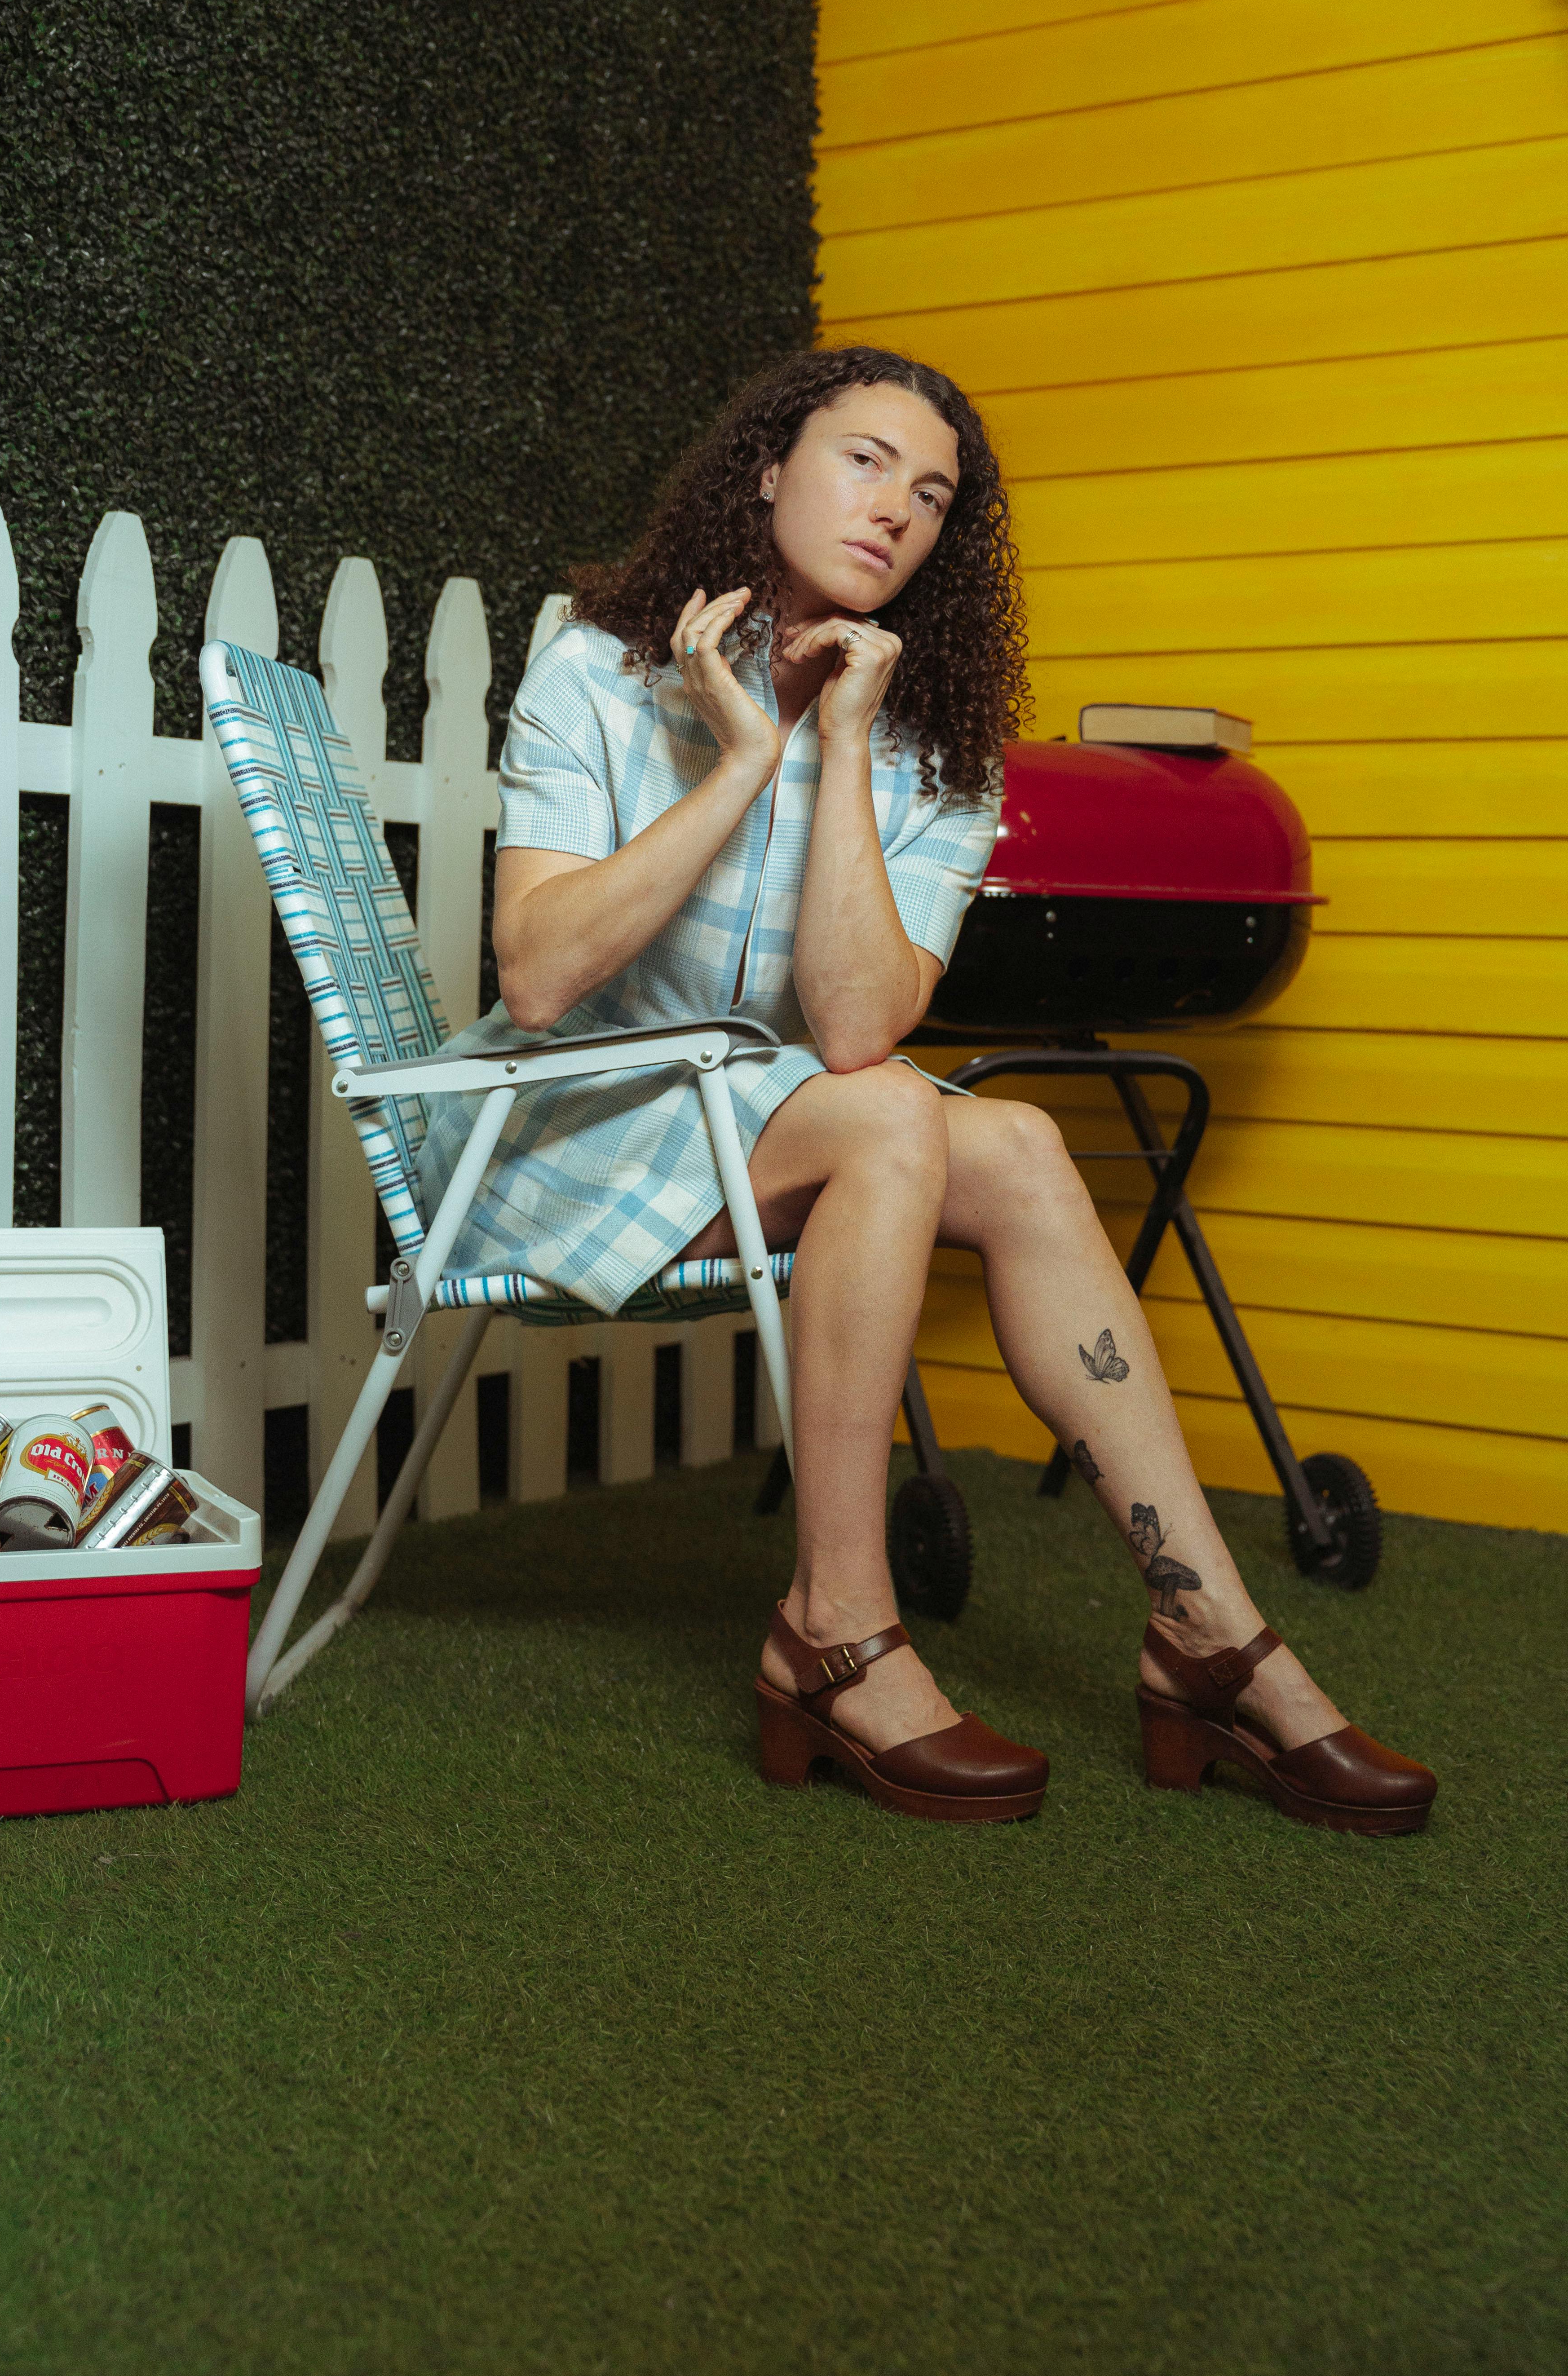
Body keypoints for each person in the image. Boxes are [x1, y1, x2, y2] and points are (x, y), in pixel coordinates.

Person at [419, 345, 1436, 1836]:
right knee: (900, 1111)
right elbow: (539, 979)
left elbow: (851, 1030)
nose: (898, 508)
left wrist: (835, 747)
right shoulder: (597, 669)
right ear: (767, 467)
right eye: (864, 460)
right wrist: (740, 763)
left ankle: (1206, 1637)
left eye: (936, 494)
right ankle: (838, 1627)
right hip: (557, 1126)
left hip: (775, 1116)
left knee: (1013, 1141)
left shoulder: (933, 747)